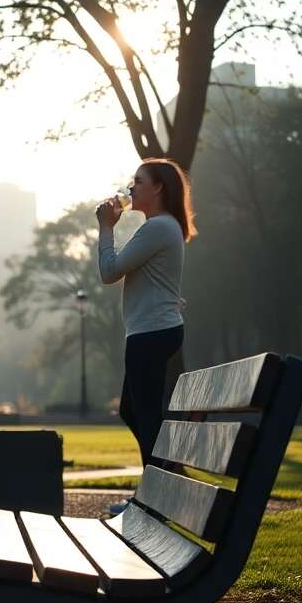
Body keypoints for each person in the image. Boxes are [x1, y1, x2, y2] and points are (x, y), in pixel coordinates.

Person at [97, 158, 194, 471]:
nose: (130, 188)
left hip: (151, 332)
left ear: (158, 187)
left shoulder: (159, 227)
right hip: (151, 331)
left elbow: (110, 271)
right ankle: (164, 474)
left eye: (138, 181)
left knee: (146, 413)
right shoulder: (161, 227)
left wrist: (105, 228)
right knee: (133, 410)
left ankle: (158, 487)